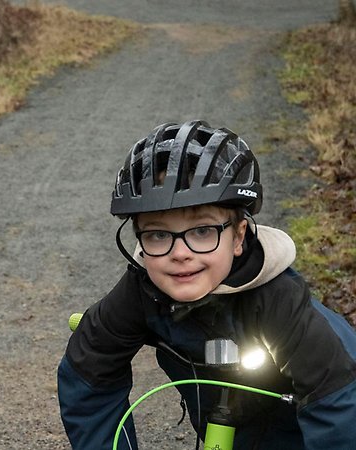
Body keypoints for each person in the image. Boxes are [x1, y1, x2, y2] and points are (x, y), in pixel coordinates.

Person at [58, 120, 356, 449]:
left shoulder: (279, 301)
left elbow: (340, 413)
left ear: (238, 236)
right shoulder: (142, 290)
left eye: (202, 231)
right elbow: (89, 374)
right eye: (158, 234)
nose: (180, 254)